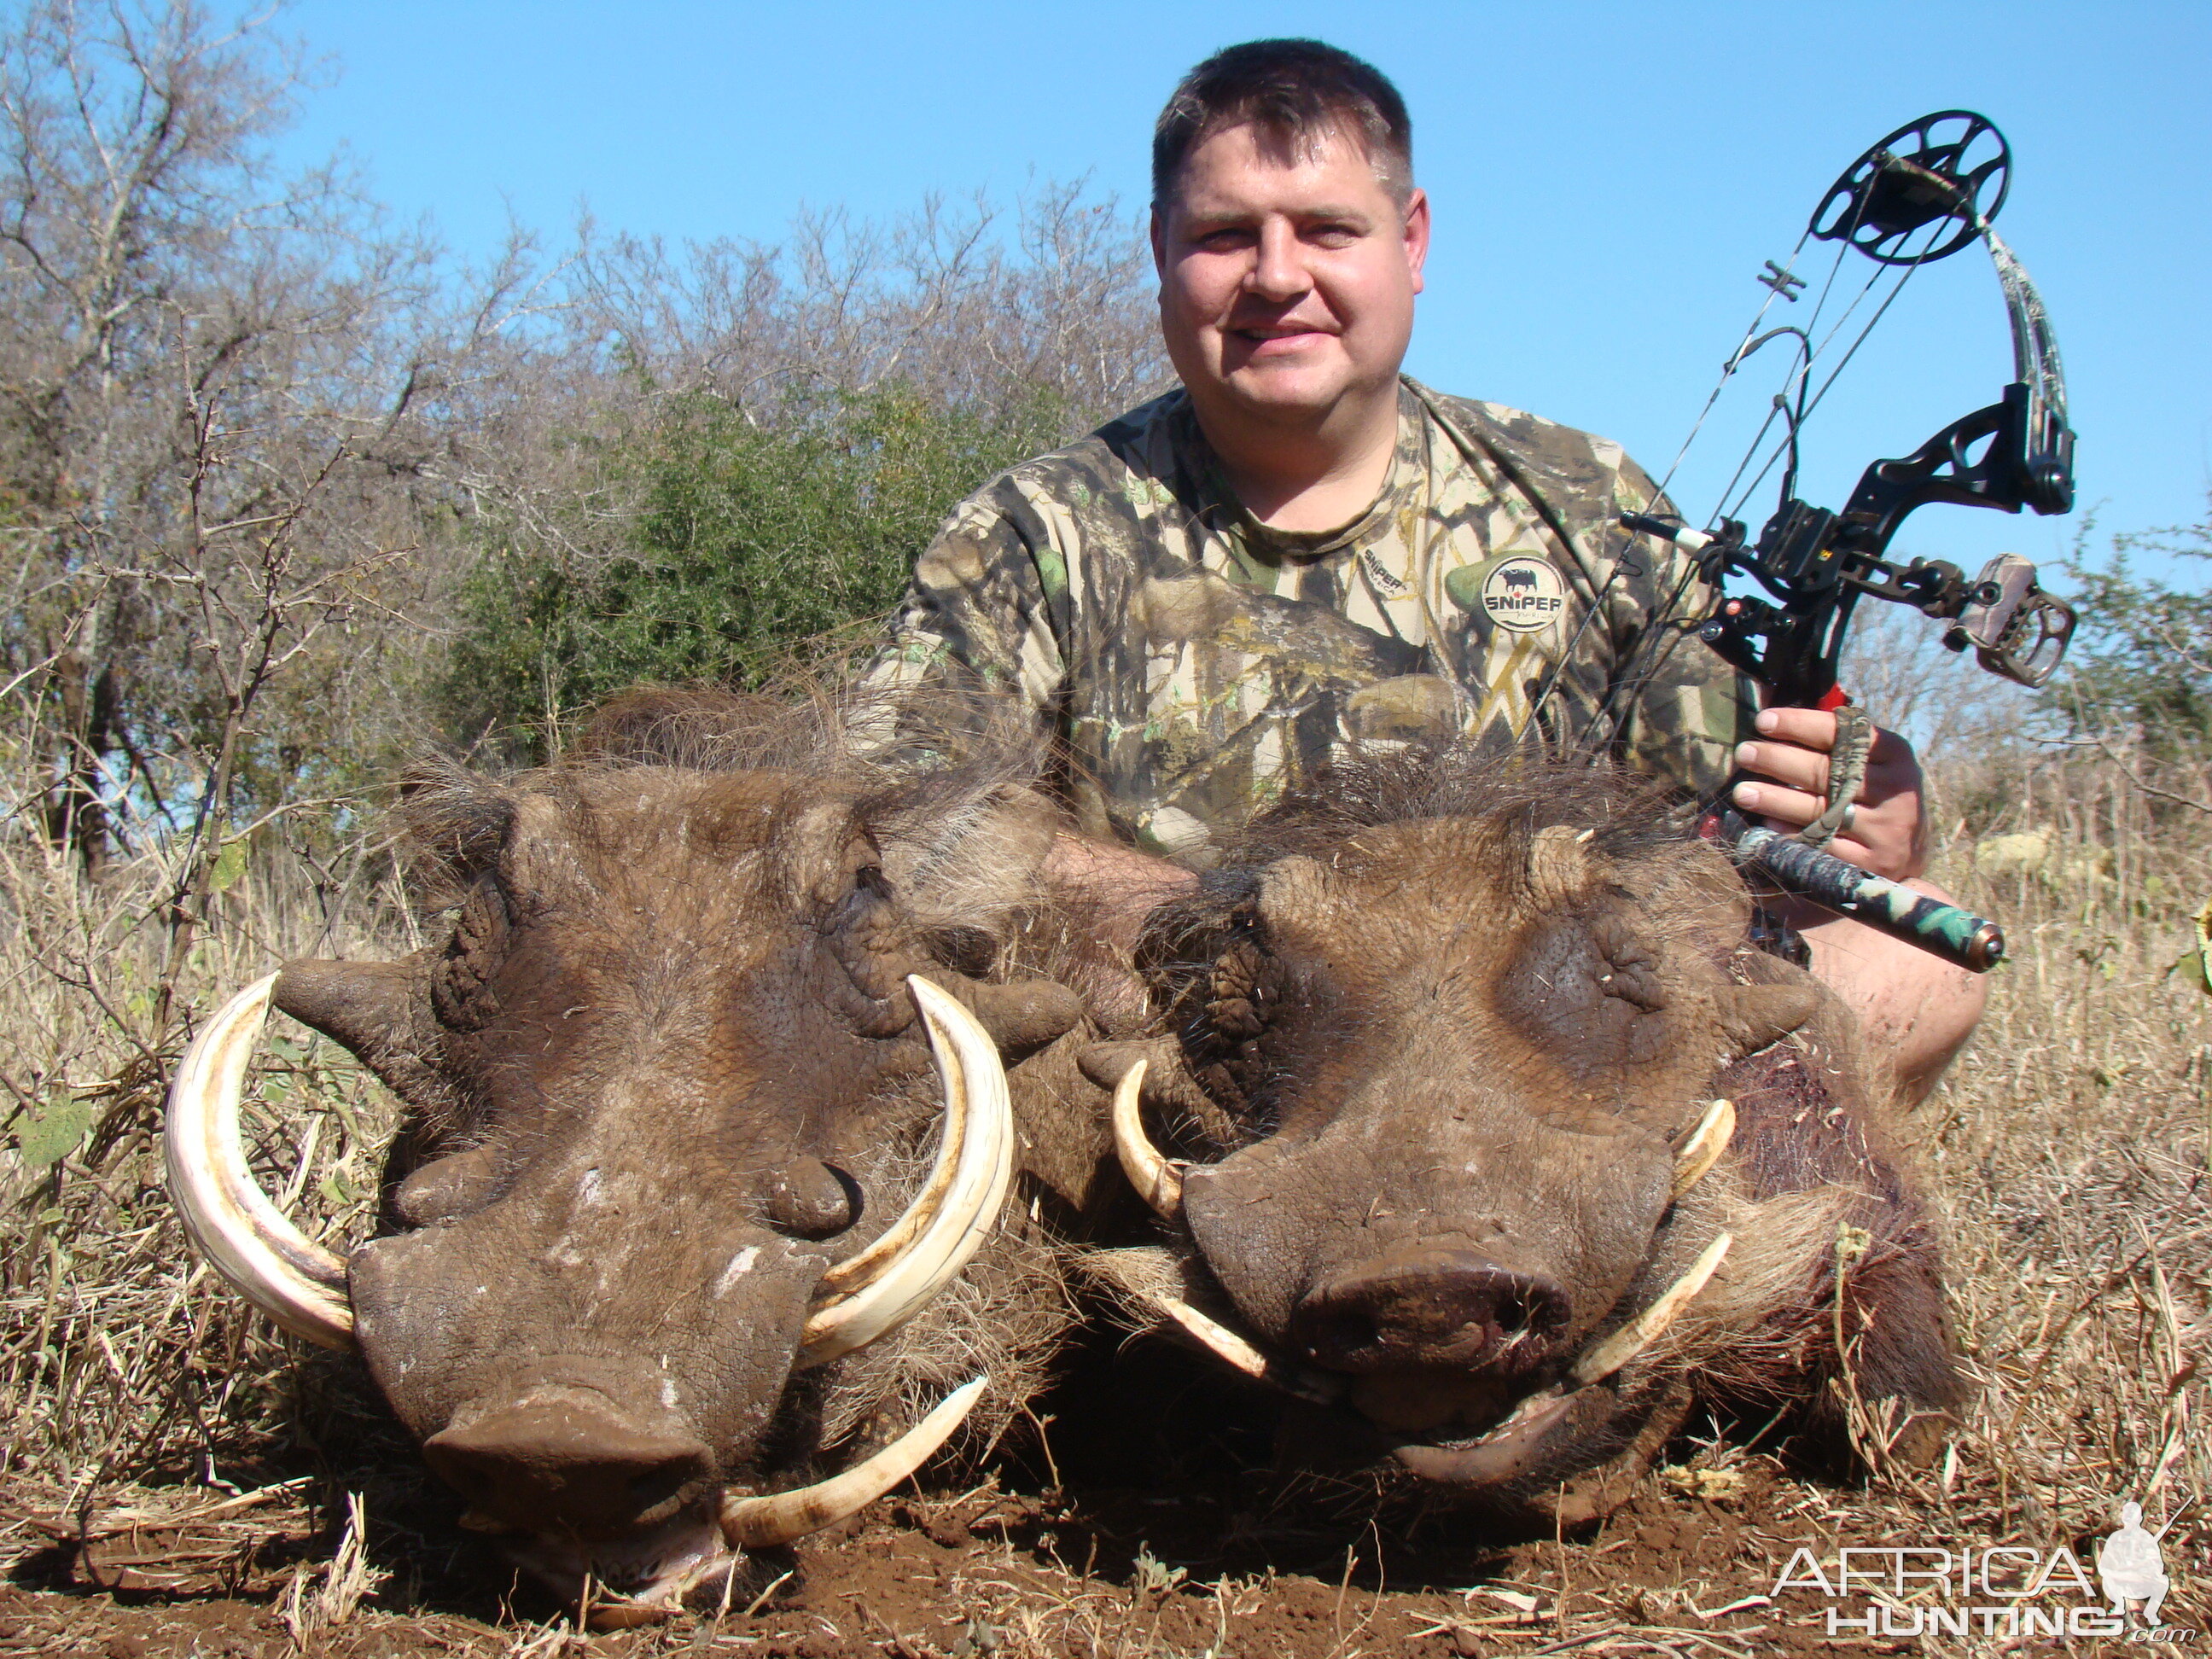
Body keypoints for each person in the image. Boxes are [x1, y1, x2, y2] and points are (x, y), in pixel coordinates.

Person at [864, 38, 1983, 1096]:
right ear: (1159, 248)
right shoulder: (1032, 528)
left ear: (1412, 242)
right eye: (1223, 236)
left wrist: (1852, 825)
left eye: (1326, 230)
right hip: (1194, 1049)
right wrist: (1196, 922)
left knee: (1922, 956)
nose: (1275, 276)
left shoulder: (1591, 499)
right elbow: (898, 813)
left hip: (1548, 1057)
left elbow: (1725, 834)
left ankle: (1703, 1262)